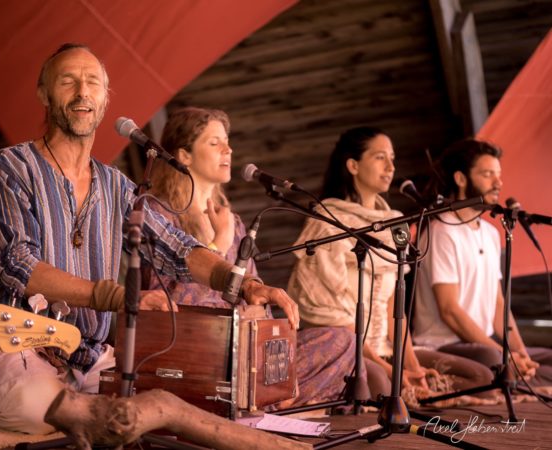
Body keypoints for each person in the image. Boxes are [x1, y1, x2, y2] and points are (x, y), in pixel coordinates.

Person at [0, 43, 298, 435]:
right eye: (68, 81)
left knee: (173, 415)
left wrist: (243, 283)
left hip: (87, 353)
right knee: (39, 410)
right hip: (10, 341)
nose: (82, 92)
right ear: (44, 94)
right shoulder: (8, 168)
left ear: (104, 99)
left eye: (93, 82)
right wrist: (121, 298)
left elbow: (176, 247)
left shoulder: (115, 185)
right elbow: (18, 264)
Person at [143, 106, 358, 407]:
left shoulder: (233, 221)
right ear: (184, 155)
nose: (228, 149)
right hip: (198, 351)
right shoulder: (158, 215)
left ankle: (269, 397)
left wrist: (276, 349)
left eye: (227, 141)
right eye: (214, 142)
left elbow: (253, 289)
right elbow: (166, 303)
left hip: (246, 349)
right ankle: (266, 402)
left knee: (343, 342)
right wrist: (219, 242)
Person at [287, 127, 494, 401]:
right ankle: (404, 397)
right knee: (381, 383)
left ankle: (413, 394)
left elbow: (393, 309)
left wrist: (412, 367)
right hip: (350, 352)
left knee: (481, 377)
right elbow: (332, 318)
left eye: (392, 158)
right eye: (380, 157)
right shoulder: (327, 224)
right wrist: (392, 371)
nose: (390, 167)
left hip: (386, 350)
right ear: (353, 165)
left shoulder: (394, 223)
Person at [413, 138, 552, 387]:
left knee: (544, 360)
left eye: (498, 174)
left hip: (482, 343)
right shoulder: (442, 231)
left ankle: (521, 378)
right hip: (444, 344)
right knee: (493, 360)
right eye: (487, 174)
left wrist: (520, 353)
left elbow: (497, 303)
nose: (498, 183)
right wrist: (504, 355)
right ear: (461, 178)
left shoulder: (490, 233)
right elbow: (449, 311)